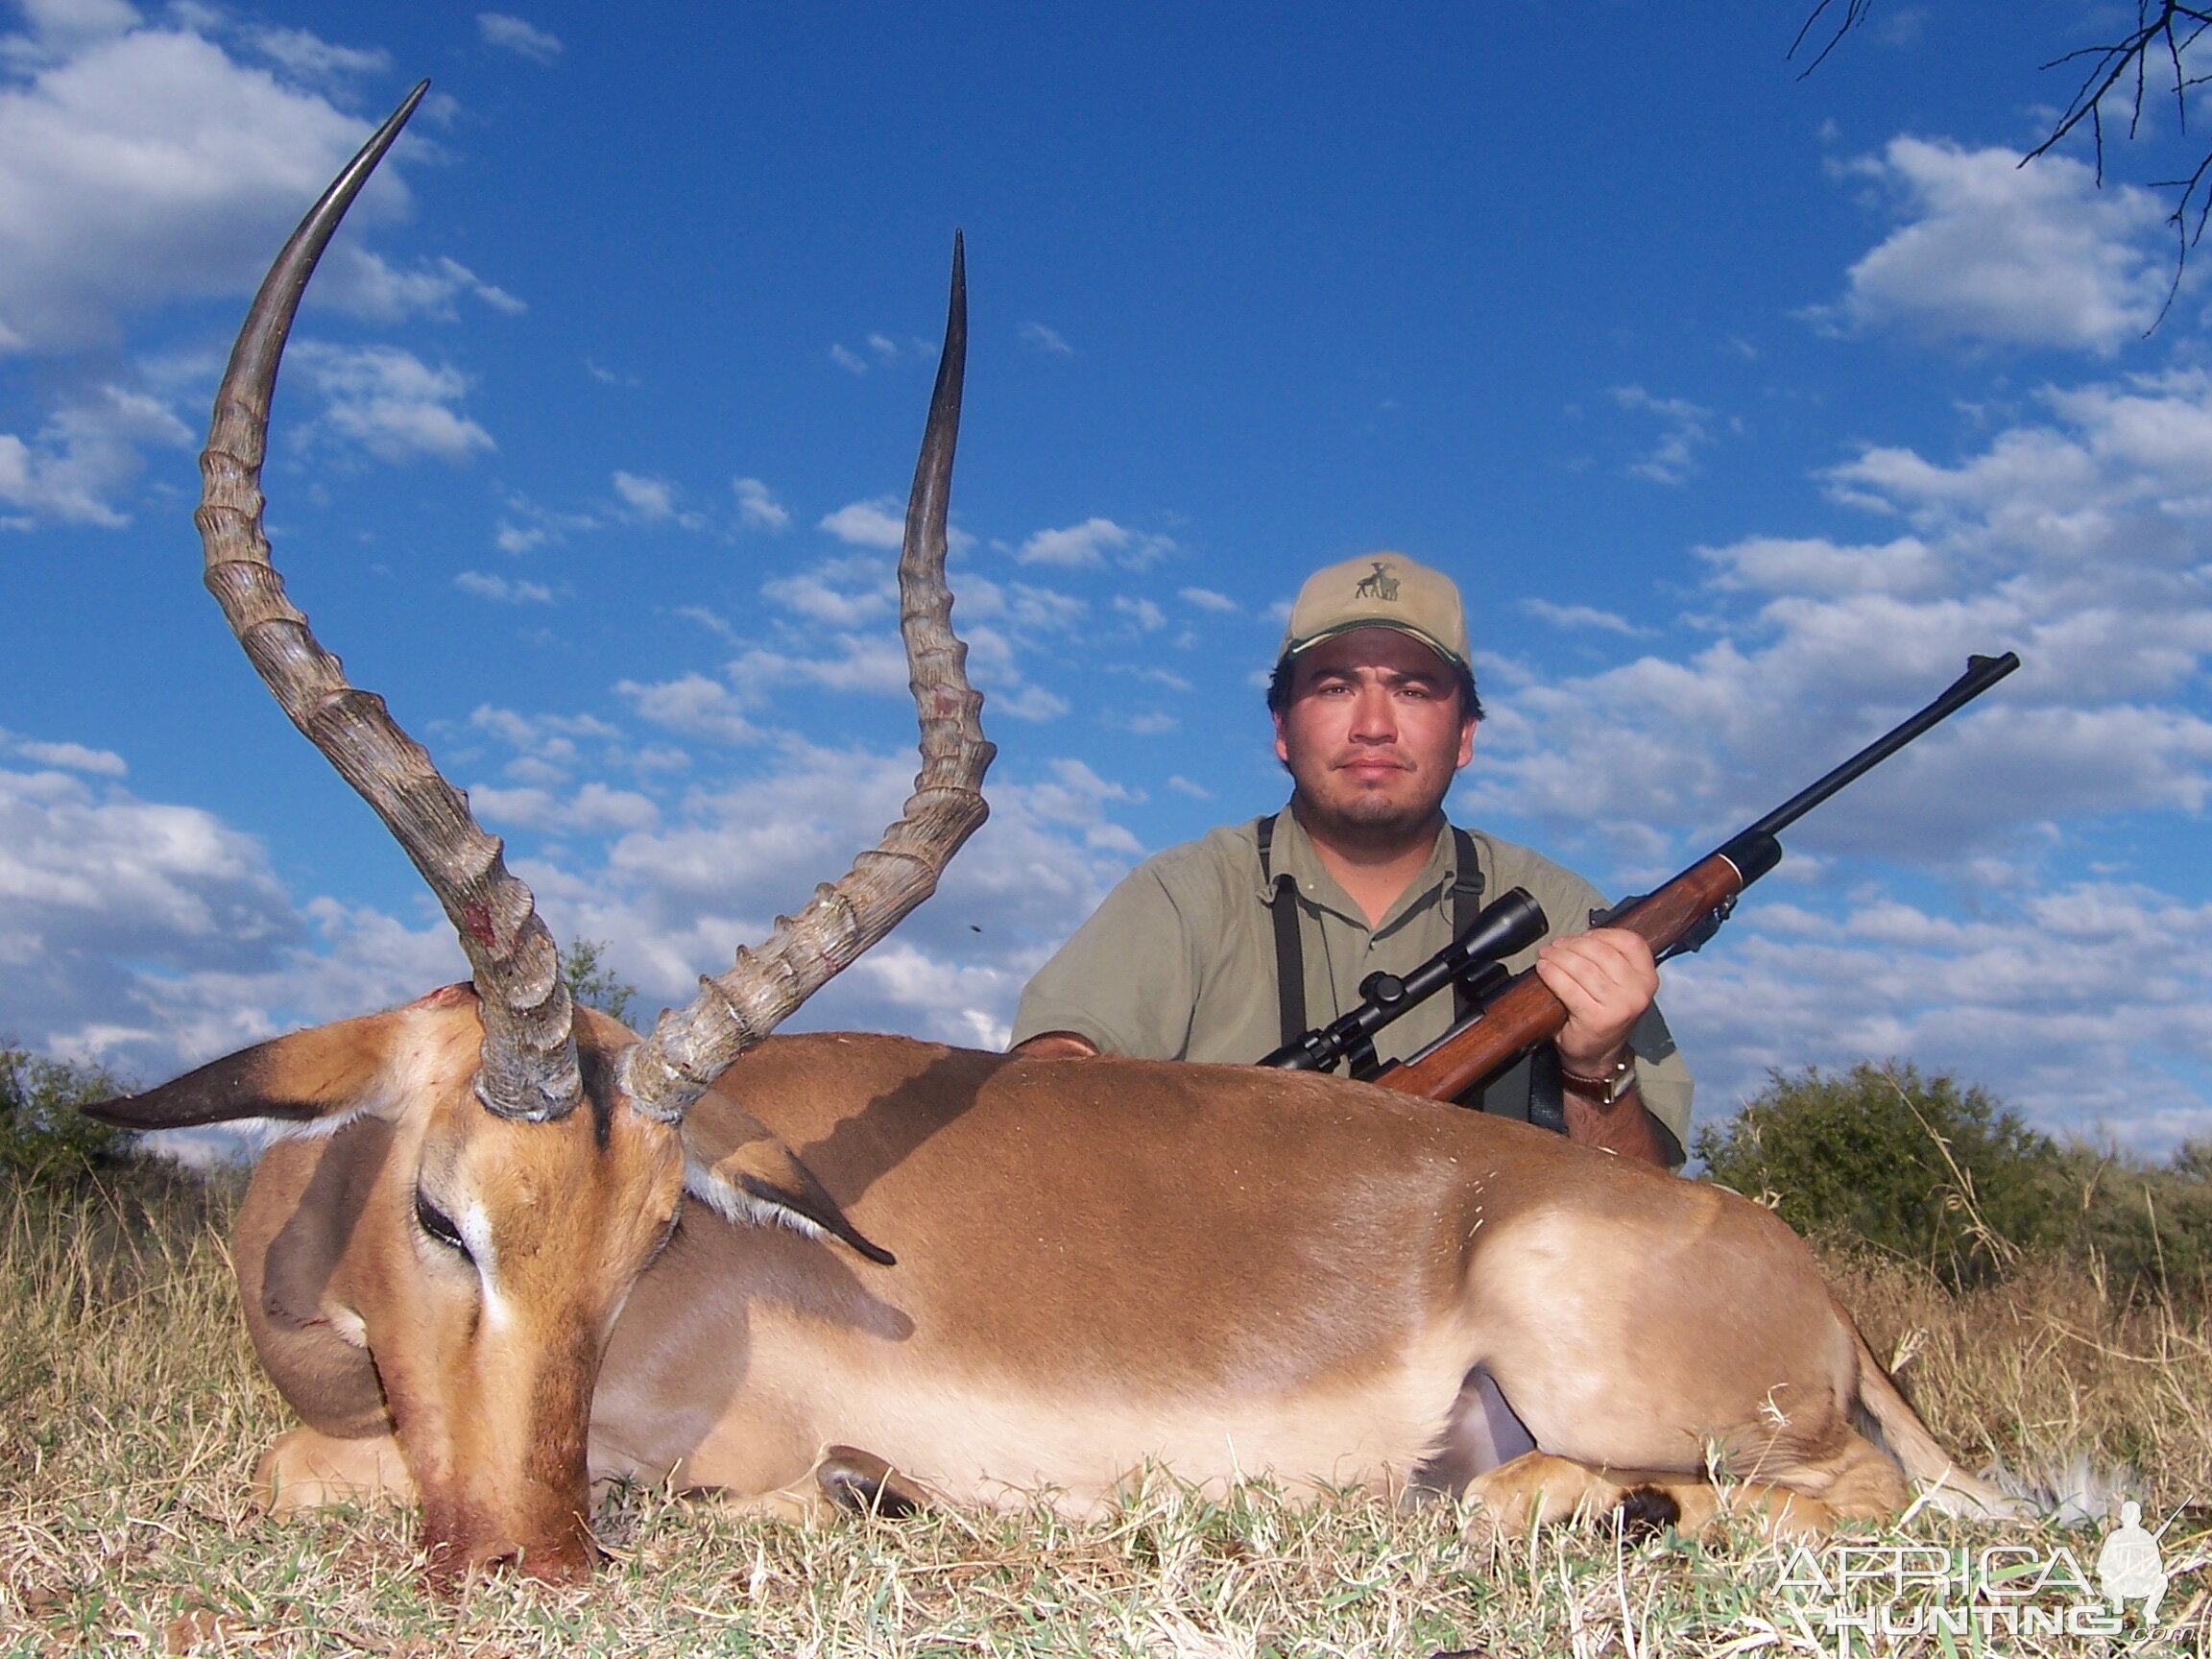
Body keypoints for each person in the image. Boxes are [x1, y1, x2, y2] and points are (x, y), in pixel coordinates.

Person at [1009, 551, 1694, 1167]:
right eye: (1335, 687)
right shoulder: (1184, 893)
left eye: (1414, 689)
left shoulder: (1564, 913)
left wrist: (1596, 1069)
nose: (1373, 725)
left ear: (1464, 735)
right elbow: (1044, 1082)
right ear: (1281, 729)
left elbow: (1644, 1201)